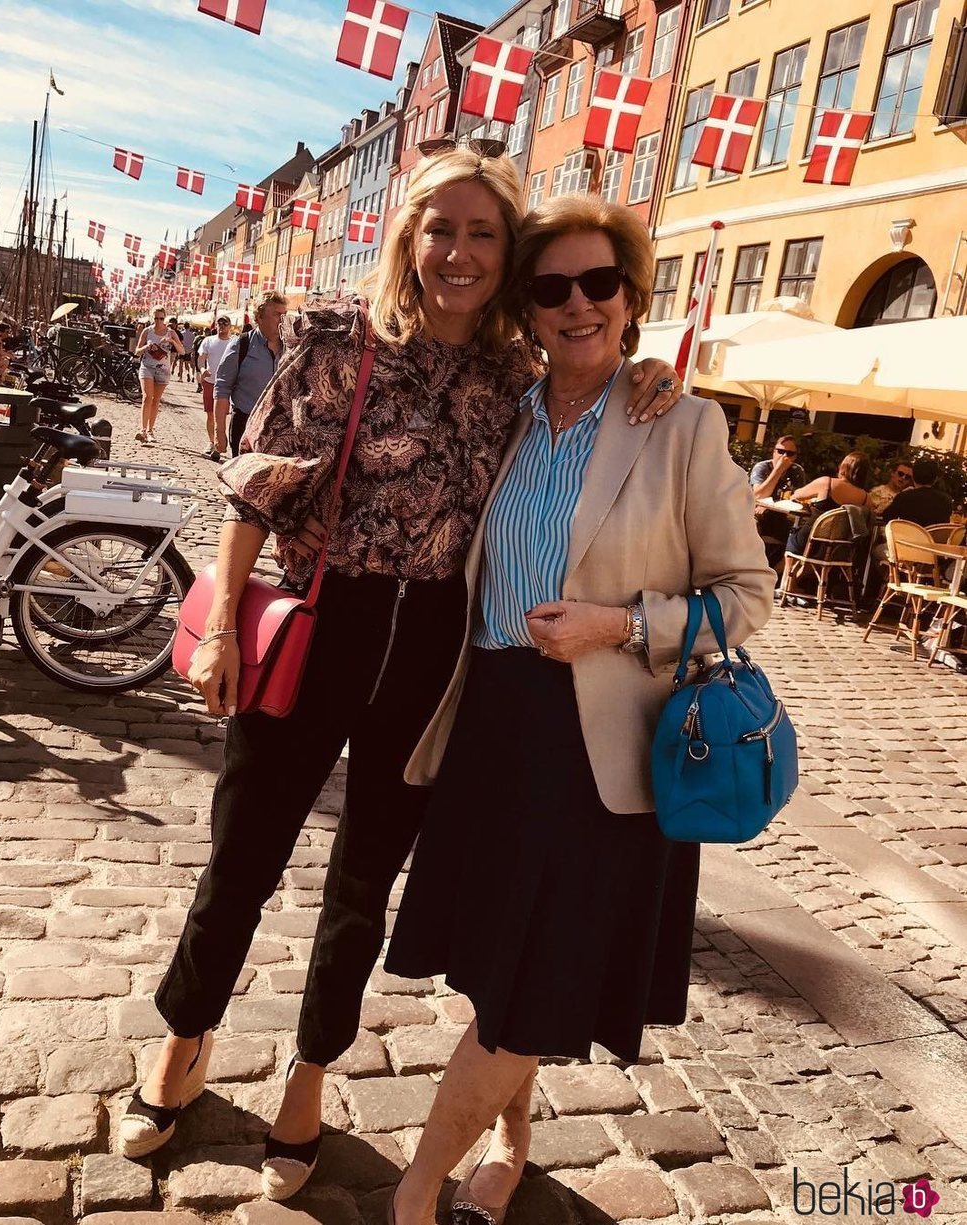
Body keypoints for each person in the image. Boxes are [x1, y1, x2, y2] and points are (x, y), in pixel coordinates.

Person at [117, 147, 683, 1201]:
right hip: (319, 623)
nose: (459, 253)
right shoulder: (340, 339)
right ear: (407, 238)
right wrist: (218, 630)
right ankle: (184, 1039)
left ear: (502, 252)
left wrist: (647, 373)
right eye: (441, 230)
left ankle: (309, 1071)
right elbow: (257, 488)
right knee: (240, 859)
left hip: (432, 654)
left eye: (481, 235)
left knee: (361, 886)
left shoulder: (513, 378)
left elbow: (592, 389)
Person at [382, 194, 774, 1225]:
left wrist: (619, 623)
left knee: (525, 982)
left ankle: (414, 1191)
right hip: (496, 724)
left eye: (596, 283)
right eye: (550, 288)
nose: (575, 304)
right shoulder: (509, 418)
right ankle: (505, 1152)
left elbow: (746, 598)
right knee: (496, 968)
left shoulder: (681, 423)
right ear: (527, 306)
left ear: (630, 297)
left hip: (599, 749)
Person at [214, 291, 288, 457]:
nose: (282, 320)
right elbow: (222, 388)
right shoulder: (242, 344)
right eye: (277, 314)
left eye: (284, 314)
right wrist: (219, 431)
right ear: (259, 317)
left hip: (279, 428)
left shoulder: (291, 347)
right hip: (245, 424)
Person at [786, 450, 872, 555]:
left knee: (790, 532)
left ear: (843, 467)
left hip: (811, 541)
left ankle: (782, 569)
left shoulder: (827, 483)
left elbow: (797, 495)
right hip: (839, 549)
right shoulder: (866, 498)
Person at [751, 436, 807, 569]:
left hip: (783, 516)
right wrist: (777, 471)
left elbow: (799, 498)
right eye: (781, 451)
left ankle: (779, 574)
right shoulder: (762, 467)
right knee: (752, 525)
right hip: (759, 514)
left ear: (795, 457)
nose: (784, 456)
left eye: (790, 453)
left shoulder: (797, 471)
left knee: (801, 537)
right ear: (774, 452)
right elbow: (758, 495)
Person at [134, 307, 184, 443]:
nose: (158, 321)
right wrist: (146, 347)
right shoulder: (147, 331)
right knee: (147, 397)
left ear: (165, 318)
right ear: (152, 318)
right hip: (147, 367)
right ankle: (143, 430)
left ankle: (150, 430)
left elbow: (182, 351)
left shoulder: (171, 332)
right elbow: (137, 351)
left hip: (163, 370)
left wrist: (172, 341)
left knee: (156, 400)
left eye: (161, 318)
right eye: (156, 318)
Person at [198, 317, 234, 461]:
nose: (222, 326)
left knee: (222, 415)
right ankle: (212, 442)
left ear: (230, 326)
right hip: (210, 381)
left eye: (225, 324)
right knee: (210, 414)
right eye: (219, 323)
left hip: (226, 383)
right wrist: (202, 370)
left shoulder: (233, 342)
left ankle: (220, 440)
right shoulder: (208, 341)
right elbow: (201, 358)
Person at [882, 456, 953, 527]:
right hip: (933, 537)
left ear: (913, 476)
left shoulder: (904, 497)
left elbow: (886, 518)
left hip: (907, 537)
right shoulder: (946, 500)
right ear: (935, 479)